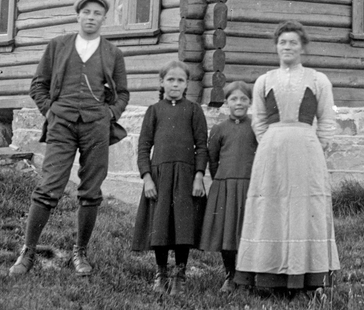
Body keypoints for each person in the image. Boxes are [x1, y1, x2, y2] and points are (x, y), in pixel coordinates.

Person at [9, 0, 129, 278]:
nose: (91, 17)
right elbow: (38, 85)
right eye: (86, 12)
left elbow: (122, 93)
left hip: (96, 127)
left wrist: (110, 115)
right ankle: (28, 251)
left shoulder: (113, 53)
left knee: (90, 190)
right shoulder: (58, 46)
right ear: (77, 16)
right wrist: (50, 111)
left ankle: (80, 252)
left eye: (97, 13)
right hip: (61, 123)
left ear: (103, 19)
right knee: (49, 185)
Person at [234, 22, 341, 293]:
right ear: (276, 47)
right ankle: (268, 278)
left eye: (293, 42)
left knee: (305, 208)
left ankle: (306, 278)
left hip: (307, 149)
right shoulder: (265, 80)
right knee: (271, 207)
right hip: (272, 150)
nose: (288, 47)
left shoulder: (318, 80)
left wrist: (317, 145)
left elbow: (327, 119)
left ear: (302, 47)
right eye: (283, 42)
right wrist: (273, 142)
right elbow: (258, 120)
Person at [131, 60, 208, 296]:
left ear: (187, 84)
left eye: (180, 80)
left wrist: (198, 176)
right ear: (162, 82)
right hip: (160, 177)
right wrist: (147, 178)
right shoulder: (154, 111)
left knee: (183, 226)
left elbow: (202, 147)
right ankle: (161, 273)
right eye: (170, 80)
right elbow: (143, 146)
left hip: (185, 177)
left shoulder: (194, 110)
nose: (175, 84)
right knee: (160, 225)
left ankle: (180, 274)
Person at [199, 80, 257, 292]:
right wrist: (221, 180)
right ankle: (230, 275)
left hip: (250, 187)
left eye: (243, 99)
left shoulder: (256, 127)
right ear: (226, 103)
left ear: (250, 102)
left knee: (246, 232)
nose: (239, 103)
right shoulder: (219, 128)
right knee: (227, 233)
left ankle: (247, 277)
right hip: (225, 186)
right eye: (233, 99)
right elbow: (212, 159)